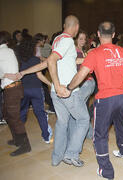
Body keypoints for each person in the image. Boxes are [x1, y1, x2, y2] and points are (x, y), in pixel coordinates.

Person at [65, 21, 123, 180]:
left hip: (105, 99)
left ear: (98, 34)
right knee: (121, 125)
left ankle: (106, 171)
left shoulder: (94, 53)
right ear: (113, 35)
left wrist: (69, 87)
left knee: (99, 135)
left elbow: (81, 75)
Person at [15, 15, 89, 167]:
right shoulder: (68, 40)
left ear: (64, 25)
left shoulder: (58, 40)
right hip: (66, 91)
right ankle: (71, 154)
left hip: (56, 93)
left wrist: (24, 72)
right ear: (76, 27)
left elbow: (56, 61)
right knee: (83, 120)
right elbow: (52, 60)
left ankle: (56, 158)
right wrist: (58, 84)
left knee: (62, 123)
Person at [0, 31, 31, 156]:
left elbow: (6, 72)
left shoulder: (2, 52)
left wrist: (4, 75)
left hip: (12, 89)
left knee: (14, 118)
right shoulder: (9, 50)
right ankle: (18, 139)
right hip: (14, 88)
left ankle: (25, 145)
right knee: (7, 114)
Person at [17, 38, 53, 144]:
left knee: (22, 114)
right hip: (36, 90)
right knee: (40, 113)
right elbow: (39, 75)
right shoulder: (36, 60)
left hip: (23, 90)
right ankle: (46, 137)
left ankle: (20, 137)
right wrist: (50, 84)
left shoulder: (19, 61)